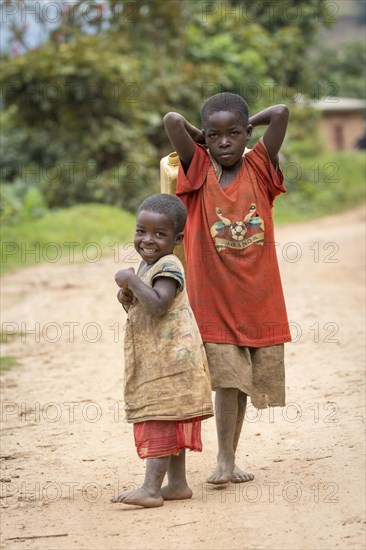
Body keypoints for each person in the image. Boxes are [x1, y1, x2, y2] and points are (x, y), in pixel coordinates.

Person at [163, 92, 292, 485]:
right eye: (214, 135)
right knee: (227, 383)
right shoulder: (198, 168)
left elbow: (282, 112)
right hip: (214, 303)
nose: (223, 142)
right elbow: (171, 119)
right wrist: (197, 137)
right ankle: (223, 462)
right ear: (204, 138)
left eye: (233, 133)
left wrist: (247, 125)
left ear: (248, 133)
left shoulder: (260, 166)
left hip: (259, 301)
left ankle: (230, 458)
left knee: (242, 388)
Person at [112, 193, 213, 508]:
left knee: (159, 417)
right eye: (141, 231)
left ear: (177, 238)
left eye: (159, 234)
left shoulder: (170, 264)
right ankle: (178, 484)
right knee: (172, 416)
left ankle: (151, 488)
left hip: (170, 361)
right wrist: (129, 298)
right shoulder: (150, 264)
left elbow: (158, 305)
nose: (147, 240)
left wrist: (131, 279)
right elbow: (146, 307)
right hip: (162, 358)